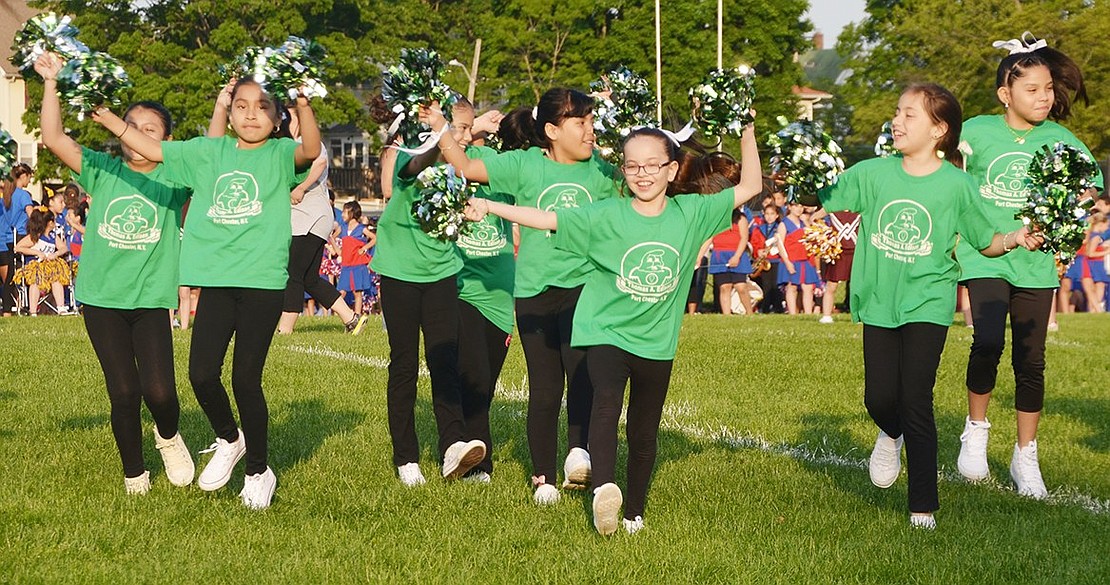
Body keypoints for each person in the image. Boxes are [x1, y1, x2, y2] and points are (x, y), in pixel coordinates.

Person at [466, 121, 762, 535]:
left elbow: (750, 185)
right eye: (632, 166)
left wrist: (746, 130)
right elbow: (546, 218)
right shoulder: (604, 215)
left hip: (657, 341)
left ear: (672, 170)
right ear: (622, 170)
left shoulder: (693, 213)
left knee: (644, 430)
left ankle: (634, 512)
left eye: (652, 166)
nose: (643, 174)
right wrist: (492, 207)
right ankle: (605, 488)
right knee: (605, 402)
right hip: (604, 330)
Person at [811, 83, 1040, 529]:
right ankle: (889, 431)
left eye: (909, 115)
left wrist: (1015, 237)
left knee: (916, 398)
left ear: (939, 129)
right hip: (878, 301)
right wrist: (800, 169)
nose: (897, 121)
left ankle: (922, 506)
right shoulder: (873, 173)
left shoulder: (957, 185)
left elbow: (985, 240)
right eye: (897, 112)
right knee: (879, 397)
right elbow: (822, 197)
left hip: (929, 302)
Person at [95, 77, 322, 509]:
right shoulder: (207, 151)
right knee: (201, 374)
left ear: (277, 119)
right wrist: (106, 116)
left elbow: (309, 150)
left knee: (245, 379)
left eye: (261, 107)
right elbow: (155, 150)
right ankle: (230, 438)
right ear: (229, 110)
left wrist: (304, 102)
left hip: (262, 283)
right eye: (241, 105)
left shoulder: (278, 154)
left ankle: (258, 469)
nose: (250, 114)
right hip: (217, 282)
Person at [428, 89, 621, 503]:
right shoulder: (523, 165)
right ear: (552, 130)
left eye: (591, 122)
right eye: (580, 123)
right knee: (545, 387)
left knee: (582, 375)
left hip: (585, 287)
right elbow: (462, 164)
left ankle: (578, 453)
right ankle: (543, 478)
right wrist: (439, 125)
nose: (589, 131)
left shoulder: (605, 171)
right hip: (533, 292)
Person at [35, 52, 195, 493]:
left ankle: (167, 437)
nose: (139, 135)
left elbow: (212, 151)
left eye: (151, 130)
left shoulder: (174, 177)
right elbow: (52, 137)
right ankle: (134, 475)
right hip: (102, 298)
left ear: (165, 139)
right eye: (133, 125)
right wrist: (52, 81)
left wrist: (221, 106)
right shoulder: (102, 169)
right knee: (124, 391)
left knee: (160, 392)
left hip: (149, 299)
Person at [954, 36, 1102, 499]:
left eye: (1049, 90)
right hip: (986, 255)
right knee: (988, 340)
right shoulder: (975, 131)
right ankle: (976, 429)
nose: (1045, 97)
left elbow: (1090, 189)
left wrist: (1066, 215)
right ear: (1005, 94)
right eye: (1033, 89)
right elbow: (937, 165)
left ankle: (1025, 455)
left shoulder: (1063, 139)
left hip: (1036, 264)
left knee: (1031, 359)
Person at [371, 98, 487, 487]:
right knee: (404, 365)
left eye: (470, 130)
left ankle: (453, 446)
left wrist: (475, 131)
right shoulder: (414, 157)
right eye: (462, 129)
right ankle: (406, 456)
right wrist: (440, 135)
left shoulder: (463, 168)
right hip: (400, 274)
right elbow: (410, 168)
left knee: (445, 363)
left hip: (442, 274)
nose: (467, 137)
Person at [453, 110, 521, 483]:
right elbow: (436, 151)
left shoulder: (499, 163)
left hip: (499, 291)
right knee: (474, 374)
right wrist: (467, 130)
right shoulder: (449, 167)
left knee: (485, 381)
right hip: (461, 286)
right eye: (461, 127)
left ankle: (463, 442)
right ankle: (478, 462)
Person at [13, 207, 72, 315]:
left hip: (50, 267)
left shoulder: (53, 236)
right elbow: (18, 247)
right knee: (36, 280)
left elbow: (64, 248)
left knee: (57, 277)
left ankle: (61, 308)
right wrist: (36, 253)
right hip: (36, 266)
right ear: (50, 223)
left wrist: (56, 254)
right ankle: (33, 311)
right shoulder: (36, 236)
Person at [2, 163, 35, 314]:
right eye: (29, 177)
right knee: (21, 274)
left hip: (8, 238)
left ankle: (9, 309)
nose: (30, 181)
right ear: (24, 176)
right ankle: (24, 305)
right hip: (21, 236)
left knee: (9, 277)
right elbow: (31, 213)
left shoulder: (8, 194)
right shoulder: (23, 195)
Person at [707, 208, 752, 315]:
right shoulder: (716, 218)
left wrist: (736, 256)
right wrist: (698, 257)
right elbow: (709, 239)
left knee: (741, 287)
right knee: (724, 287)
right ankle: (726, 315)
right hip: (719, 255)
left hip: (737, 254)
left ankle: (750, 313)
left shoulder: (741, 218)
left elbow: (744, 238)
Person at [818, 210, 860, 323]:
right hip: (837, 252)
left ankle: (858, 315)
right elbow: (815, 217)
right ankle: (826, 315)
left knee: (858, 286)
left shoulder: (859, 211)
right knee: (832, 284)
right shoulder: (833, 210)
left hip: (856, 252)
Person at [777, 201, 817, 314]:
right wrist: (787, 262)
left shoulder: (803, 222)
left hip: (805, 259)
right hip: (791, 259)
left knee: (808, 288)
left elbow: (811, 238)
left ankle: (808, 313)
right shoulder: (784, 224)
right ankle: (792, 313)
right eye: (795, 206)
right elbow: (780, 244)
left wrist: (807, 223)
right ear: (789, 207)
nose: (799, 209)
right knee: (792, 287)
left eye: (800, 206)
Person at [337, 201, 375, 316]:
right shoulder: (342, 228)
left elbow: (374, 238)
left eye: (345, 211)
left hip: (358, 264)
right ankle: (346, 314)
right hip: (346, 264)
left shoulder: (361, 229)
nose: (342, 214)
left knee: (357, 292)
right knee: (341, 292)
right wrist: (337, 250)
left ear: (352, 213)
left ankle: (357, 315)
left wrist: (364, 248)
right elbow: (332, 238)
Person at [750, 200, 784, 313]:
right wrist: (758, 251)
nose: (769, 217)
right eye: (767, 214)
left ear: (777, 215)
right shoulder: (759, 228)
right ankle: (765, 307)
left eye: (772, 214)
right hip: (764, 261)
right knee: (766, 285)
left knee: (776, 285)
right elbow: (754, 243)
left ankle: (777, 307)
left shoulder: (780, 227)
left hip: (776, 260)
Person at [1080, 213, 1109, 312]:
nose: (1107, 228)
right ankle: (1097, 308)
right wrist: (1107, 251)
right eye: (1106, 225)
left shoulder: (1091, 234)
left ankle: (1093, 309)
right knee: (1098, 286)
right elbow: (1090, 253)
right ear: (1100, 224)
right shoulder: (1096, 236)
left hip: (1093, 263)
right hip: (1095, 264)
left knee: (1094, 287)